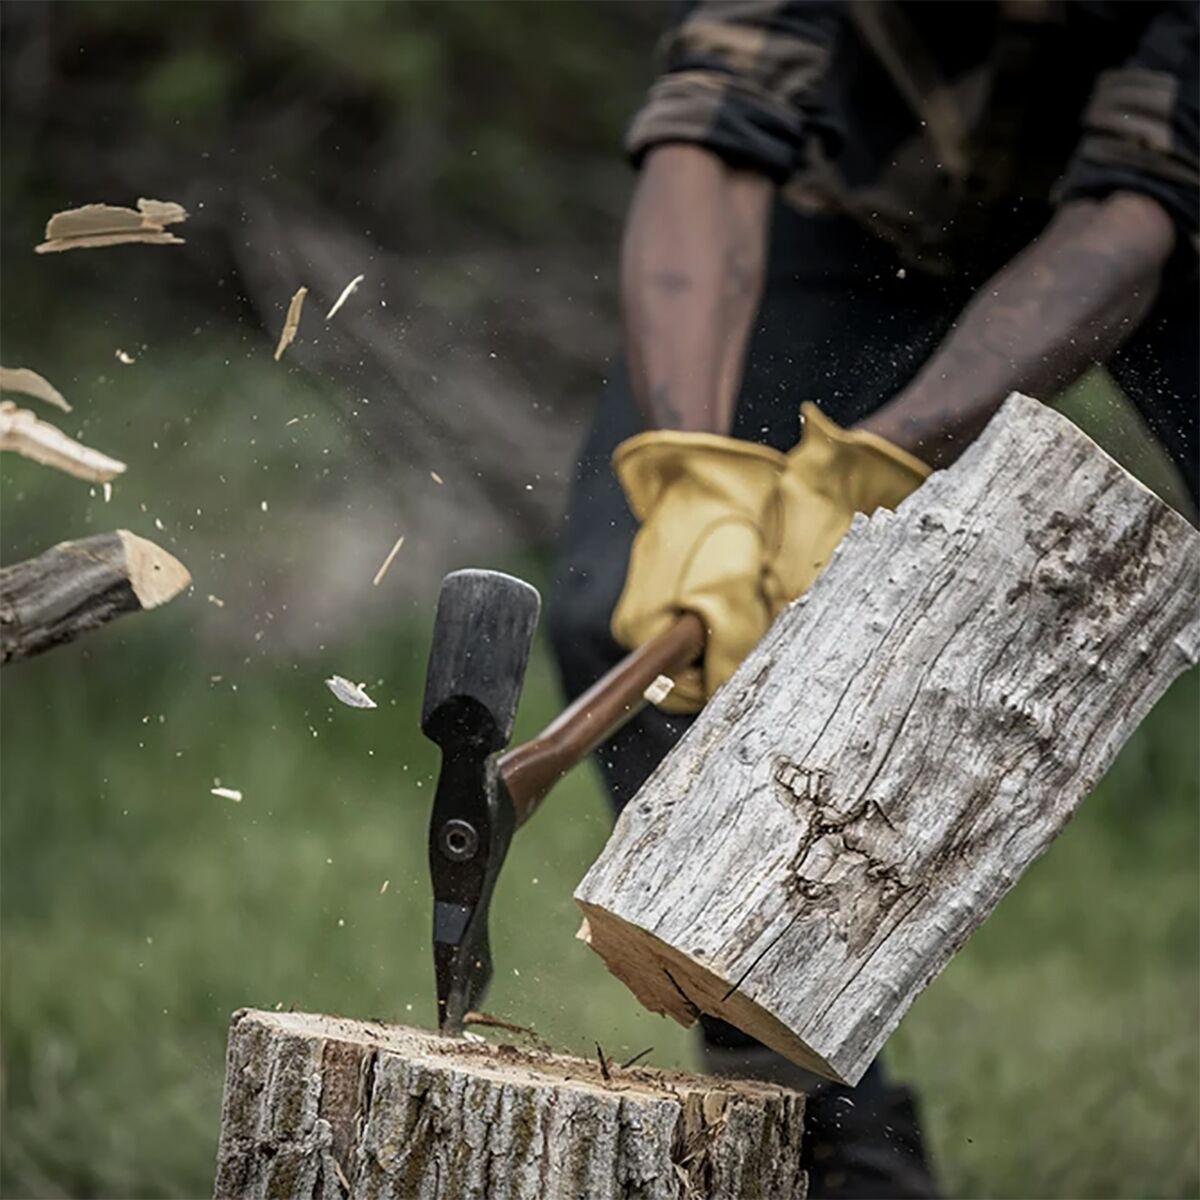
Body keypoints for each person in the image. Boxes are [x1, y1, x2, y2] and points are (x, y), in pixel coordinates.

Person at [548, 3, 1198, 1196]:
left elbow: (1141, 195)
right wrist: (697, 471)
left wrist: (876, 462)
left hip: (1171, 215)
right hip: (873, 189)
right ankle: (826, 1139)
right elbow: (715, 112)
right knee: (620, 602)